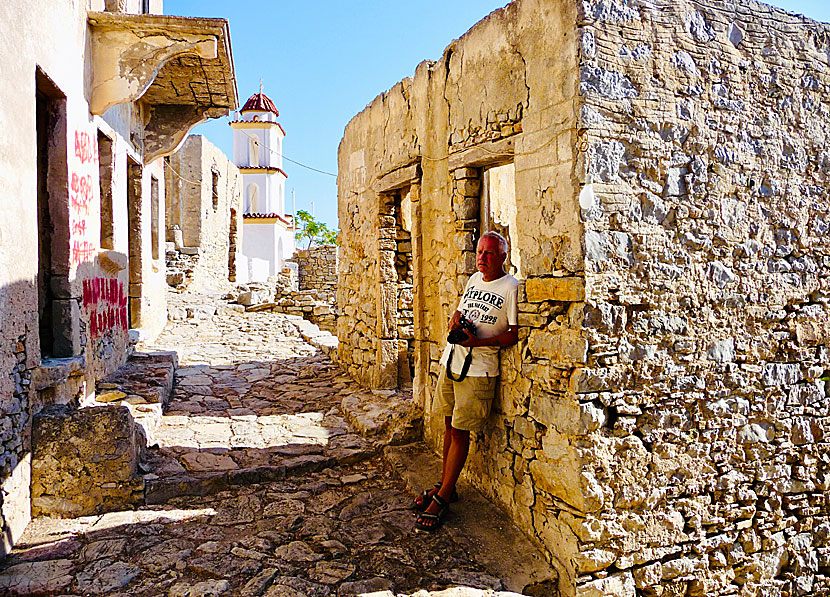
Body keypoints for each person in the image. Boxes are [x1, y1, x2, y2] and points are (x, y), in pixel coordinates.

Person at [414, 231, 519, 532]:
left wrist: (478, 342)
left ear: (503, 256)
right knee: (448, 426)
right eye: (480, 251)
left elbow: (512, 333)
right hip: (452, 361)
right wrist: (456, 323)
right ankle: (446, 484)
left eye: (489, 253)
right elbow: (458, 312)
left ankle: (444, 495)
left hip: (479, 369)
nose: (482, 258)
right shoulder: (473, 280)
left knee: (460, 431)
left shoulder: (511, 287)